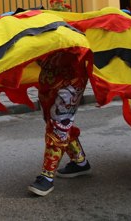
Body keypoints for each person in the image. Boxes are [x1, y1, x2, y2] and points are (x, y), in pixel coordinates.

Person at [27, 51, 90, 196]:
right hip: (48, 79)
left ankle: (47, 176)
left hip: (72, 80)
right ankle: (79, 162)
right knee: (52, 122)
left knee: (59, 126)